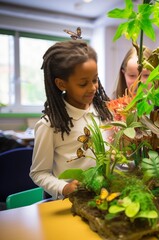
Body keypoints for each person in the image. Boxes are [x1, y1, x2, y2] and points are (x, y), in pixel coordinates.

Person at [30, 40, 113, 200]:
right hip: (70, 203)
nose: (93, 88)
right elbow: (39, 173)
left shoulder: (100, 112)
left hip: (101, 198)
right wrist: (64, 187)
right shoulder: (49, 125)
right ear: (62, 84)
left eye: (95, 80)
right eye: (83, 83)